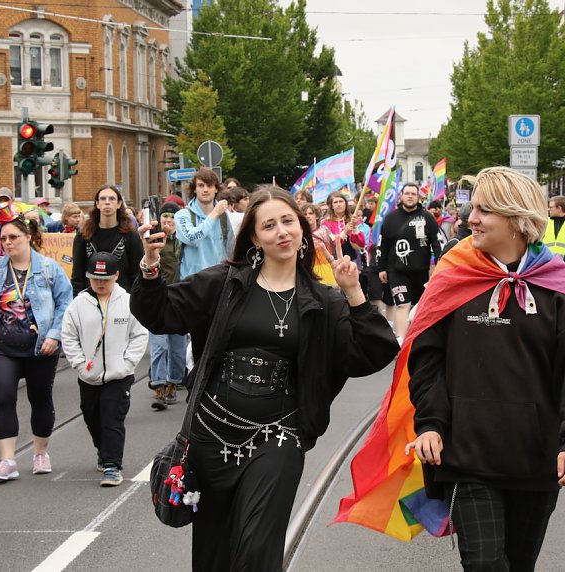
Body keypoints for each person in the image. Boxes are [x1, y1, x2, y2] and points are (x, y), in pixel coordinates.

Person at [131, 185, 398, 571]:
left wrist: (354, 292)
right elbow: (160, 313)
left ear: (303, 229)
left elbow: (375, 350)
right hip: (211, 434)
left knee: (257, 552)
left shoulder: (322, 300)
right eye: (269, 225)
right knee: (213, 556)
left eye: (288, 221)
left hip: (279, 437)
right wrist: (151, 265)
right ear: (254, 236)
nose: (282, 231)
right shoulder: (226, 282)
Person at [405, 166, 565, 571]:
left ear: (517, 219)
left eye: (484, 210)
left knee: (519, 565)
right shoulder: (453, 276)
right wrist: (431, 424)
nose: (469, 218)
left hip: (536, 461)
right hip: (466, 456)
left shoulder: (560, 287)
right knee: (484, 565)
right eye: (472, 207)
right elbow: (427, 360)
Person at [0, 207, 73, 481]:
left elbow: (66, 302)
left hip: (41, 347)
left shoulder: (50, 269)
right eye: (4, 238)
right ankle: (7, 460)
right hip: (4, 346)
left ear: (28, 237)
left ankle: (40, 452)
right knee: (3, 396)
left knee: (40, 398)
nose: (8, 243)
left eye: (13, 237)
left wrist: (54, 335)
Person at [61, 252, 148, 486]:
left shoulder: (129, 301)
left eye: (106, 278)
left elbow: (140, 334)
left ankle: (112, 465)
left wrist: (127, 364)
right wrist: (80, 365)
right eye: (95, 278)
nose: (100, 283)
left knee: (112, 417)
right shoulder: (77, 305)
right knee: (92, 417)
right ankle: (103, 449)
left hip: (119, 376)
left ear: (116, 276)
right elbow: (69, 337)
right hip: (88, 376)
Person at [377, 183, 441, 340]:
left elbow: (436, 244)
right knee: (402, 304)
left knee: (419, 308)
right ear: (401, 196)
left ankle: (415, 338)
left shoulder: (427, 217)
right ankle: (400, 340)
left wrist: (439, 267)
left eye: (413, 193)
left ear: (418, 197)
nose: (410, 196)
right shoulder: (390, 218)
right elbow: (383, 244)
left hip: (421, 271)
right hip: (396, 271)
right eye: (407, 193)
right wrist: (382, 268)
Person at [148, 201, 188, 410]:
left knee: (178, 348)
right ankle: (158, 385)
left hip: (179, 300)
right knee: (159, 345)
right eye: (165, 217)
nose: (168, 221)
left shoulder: (183, 241)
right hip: (158, 300)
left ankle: (173, 381)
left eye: (172, 218)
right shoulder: (154, 241)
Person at [71, 184, 144, 296]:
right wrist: (77, 301)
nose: (107, 202)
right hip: (90, 299)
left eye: (112, 198)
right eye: (103, 198)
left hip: (122, 300)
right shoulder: (83, 236)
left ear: (119, 203)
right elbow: (77, 276)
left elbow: (136, 275)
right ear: (97, 204)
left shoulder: (131, 236)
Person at [175, 167, 234, 281]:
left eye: (210, 185)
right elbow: (192, 238)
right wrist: (214, 213)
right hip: (190, 284)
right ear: (195, 189)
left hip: (217, 282)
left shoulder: (224, 216)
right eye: (201, 185)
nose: (205, 190)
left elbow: (231, 250)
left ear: (216, 189)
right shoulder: (182, 215)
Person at [321, 191, 366, 275]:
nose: (338, 204)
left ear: (346, 204)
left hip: (352, 261)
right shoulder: (325, 223)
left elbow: (361, 244)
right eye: (335, 202)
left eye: (341, 201)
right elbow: (331, 244)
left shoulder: (354, 220)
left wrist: (355, 228)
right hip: (334, 262)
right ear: (332, 206)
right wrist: (345, 231)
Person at [302, 203, 336, 286]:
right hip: (310, 273)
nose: (308, 216)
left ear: (316, 216)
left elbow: (333, 251)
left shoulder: (325, 231)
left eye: (311, 213)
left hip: (328, 270)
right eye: (305, 214)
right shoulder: (300, 235)